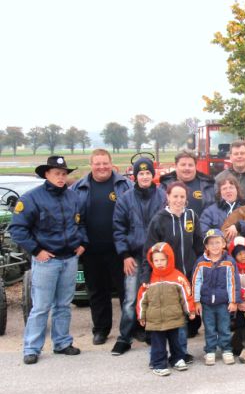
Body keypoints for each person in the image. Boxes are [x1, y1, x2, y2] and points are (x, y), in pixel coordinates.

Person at [10, 156, 87, 365]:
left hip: (69, 258)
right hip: (47, 261)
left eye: (64, 174)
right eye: (57, 174)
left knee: (63, 305)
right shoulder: (31, 199)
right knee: (41, 306)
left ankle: (62, 342)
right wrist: (36, 250)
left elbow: (80, 224)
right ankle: (32, 348)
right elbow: (17, 229)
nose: (61, 178)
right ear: (47, 174)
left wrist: (82, 243)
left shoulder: (73, 198)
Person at [72, 149, 133, 345]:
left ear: (111, 163)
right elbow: (73, 220)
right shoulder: (78, 188)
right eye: (97, 163)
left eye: (105, 163)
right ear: (91, 164)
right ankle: (101, 329)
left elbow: (134, 214)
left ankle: (132, 328)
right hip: (91, 250)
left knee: (127, 292)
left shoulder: (125, 185)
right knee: (97, 292)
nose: (102, 167)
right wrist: (80, 242)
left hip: (120, 250)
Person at [111, 157, 166, 356]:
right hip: (134, 257)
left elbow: (167, 225)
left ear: (153, 175)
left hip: (157, 257)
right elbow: (118, 229)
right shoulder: (125, 199)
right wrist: (125, 255)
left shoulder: (163, 197)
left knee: (155, 298)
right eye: (141, 173)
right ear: (135, 176)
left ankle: (154, 334)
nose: (144, 176)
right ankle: (124, 338)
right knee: (130, 300)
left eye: (148, 173)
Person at [143, 181, 203, 359]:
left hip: (189, 274)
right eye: (175, 196)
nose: (178, 200)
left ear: (186, 199)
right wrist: (146, 276)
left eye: (182, 197)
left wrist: (201, 269)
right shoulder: (159, 219)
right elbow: (150, 250)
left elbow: (199, 246)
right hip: (169, 277)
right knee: (175, 317)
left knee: (185, 314)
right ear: (167, 197)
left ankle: (180, 353)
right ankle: (168, 354)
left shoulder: (192, 216)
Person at [137, 242, 195, 376]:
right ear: (151, 261)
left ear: (169, 259)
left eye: (162, 259)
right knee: (158, 344)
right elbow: (141, 299)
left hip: (174, 318)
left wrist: (190, 310)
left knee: (176, 342)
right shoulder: (148, 280)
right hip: (155, 321)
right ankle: (158, 363)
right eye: (156, 260)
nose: (159, 263)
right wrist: (141, 315)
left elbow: (186, 295)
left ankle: (178, 359)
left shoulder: (178, 277)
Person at [192, 229, 241, 366]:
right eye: (211, 243)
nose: (214, 246)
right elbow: (196, 282)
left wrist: (233, 300)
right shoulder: (201, 262)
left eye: (217, 242)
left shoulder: (229, 262)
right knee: (209, 327)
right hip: (206, 303)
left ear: (224, 244)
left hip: (223, 303)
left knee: (224, 327)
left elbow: (233, 282)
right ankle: (210, 351)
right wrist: (196, 301)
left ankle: (226, 350)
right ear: (206, 246)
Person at [200, 175, 245, 243]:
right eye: (224, 188)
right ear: (219, 192)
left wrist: (238, 226)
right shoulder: (209, 211)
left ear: (237, 190)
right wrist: (221, 237)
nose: (228, 191)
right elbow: (203, 232)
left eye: (231, 187)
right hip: (220, 251)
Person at [159, 150, 217, 218]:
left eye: (190, 165)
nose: (187, 168)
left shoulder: (208, 186)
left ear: (195, 166)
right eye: (183, 165)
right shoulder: (164, 186)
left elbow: (214, 213)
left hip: (202, 227)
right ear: (176, 166)